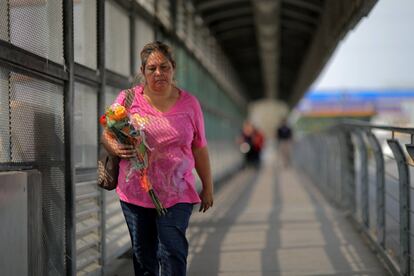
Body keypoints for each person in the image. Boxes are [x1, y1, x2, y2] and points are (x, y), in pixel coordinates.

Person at [101, 41, 214, 276]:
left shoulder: (190, 104)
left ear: (173, 69)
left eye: (164, 67)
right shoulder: (127, 99)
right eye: (152, 68)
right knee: (144, 256)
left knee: (172, 250)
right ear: (142, 72)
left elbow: (199, 147)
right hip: (135, 192)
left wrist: (208, 187)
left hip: (178, 191)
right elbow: (107, 133)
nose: (159, 73)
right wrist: (115, 147)